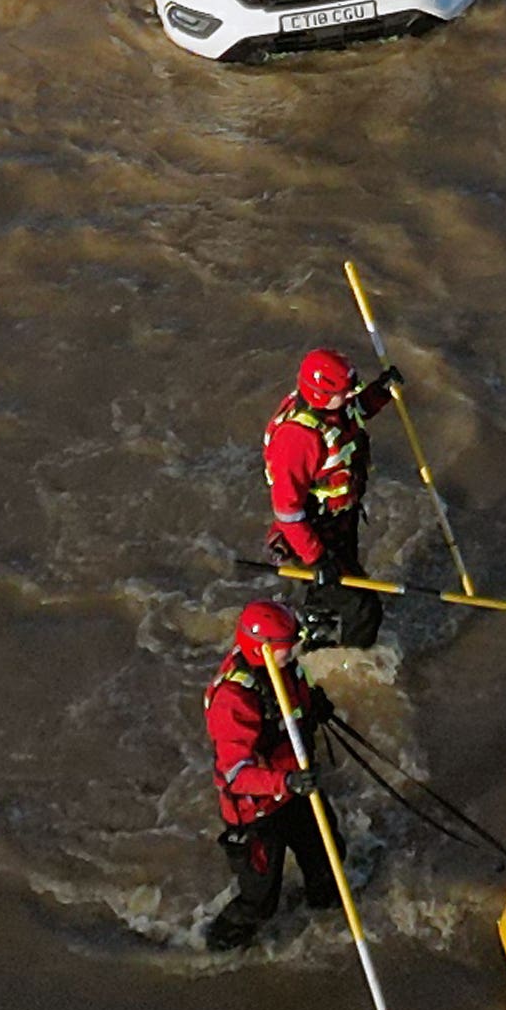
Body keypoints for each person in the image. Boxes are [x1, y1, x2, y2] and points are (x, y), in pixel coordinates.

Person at [197, 600, 322, 951]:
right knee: (259, 900)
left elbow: (298, 700)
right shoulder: (233, 699)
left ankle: (326, 911)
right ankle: (218, 946)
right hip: (260, 810)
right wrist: (286, 783)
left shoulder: (287, 668)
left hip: (295, 788)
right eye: (289, 645)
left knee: (327, 862)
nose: (297, 649)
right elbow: (235, 775)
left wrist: (315, 706)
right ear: (264, 649)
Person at [261, 346, 396, 647]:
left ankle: (314, 628)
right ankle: (353, 664)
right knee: (363, 608)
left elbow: (355, 410)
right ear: (321, 395)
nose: (350, 395)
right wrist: (317, 558)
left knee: (331, 592)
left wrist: (381, 390)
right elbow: (288, 510)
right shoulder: (298, 439)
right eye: (344, 392)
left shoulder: (333, 408)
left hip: (339, 522)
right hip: (312, 533)